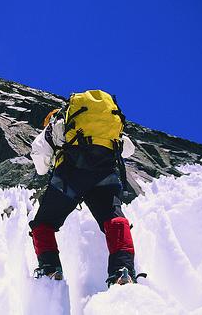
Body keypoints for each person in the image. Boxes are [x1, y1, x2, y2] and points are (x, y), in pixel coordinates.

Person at [29, 90, 139, 286]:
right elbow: (128, 149)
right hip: (106, 173)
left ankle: (49, 268)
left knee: (43, 223)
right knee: (113, 217)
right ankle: (123, 269)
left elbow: (40, 161)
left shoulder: (56, 123)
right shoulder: (105, 125)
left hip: (71, 175)